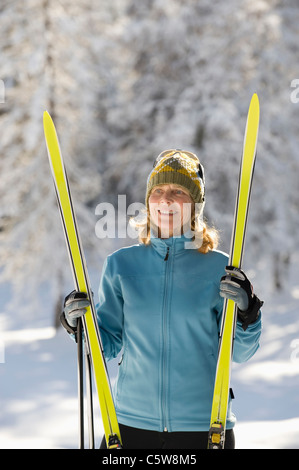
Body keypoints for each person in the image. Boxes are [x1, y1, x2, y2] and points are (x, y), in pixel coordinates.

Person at [61, 149, 263, 449]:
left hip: (204, 428)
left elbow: (240, 353)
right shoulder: (121, 266)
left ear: (195, 204)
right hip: (129, 426)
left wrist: (247, 313)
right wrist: (78, 324)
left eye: (178, 191)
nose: (166, 200)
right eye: (158, 191)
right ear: (148, 201)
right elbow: (105, 346)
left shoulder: (220, 269)